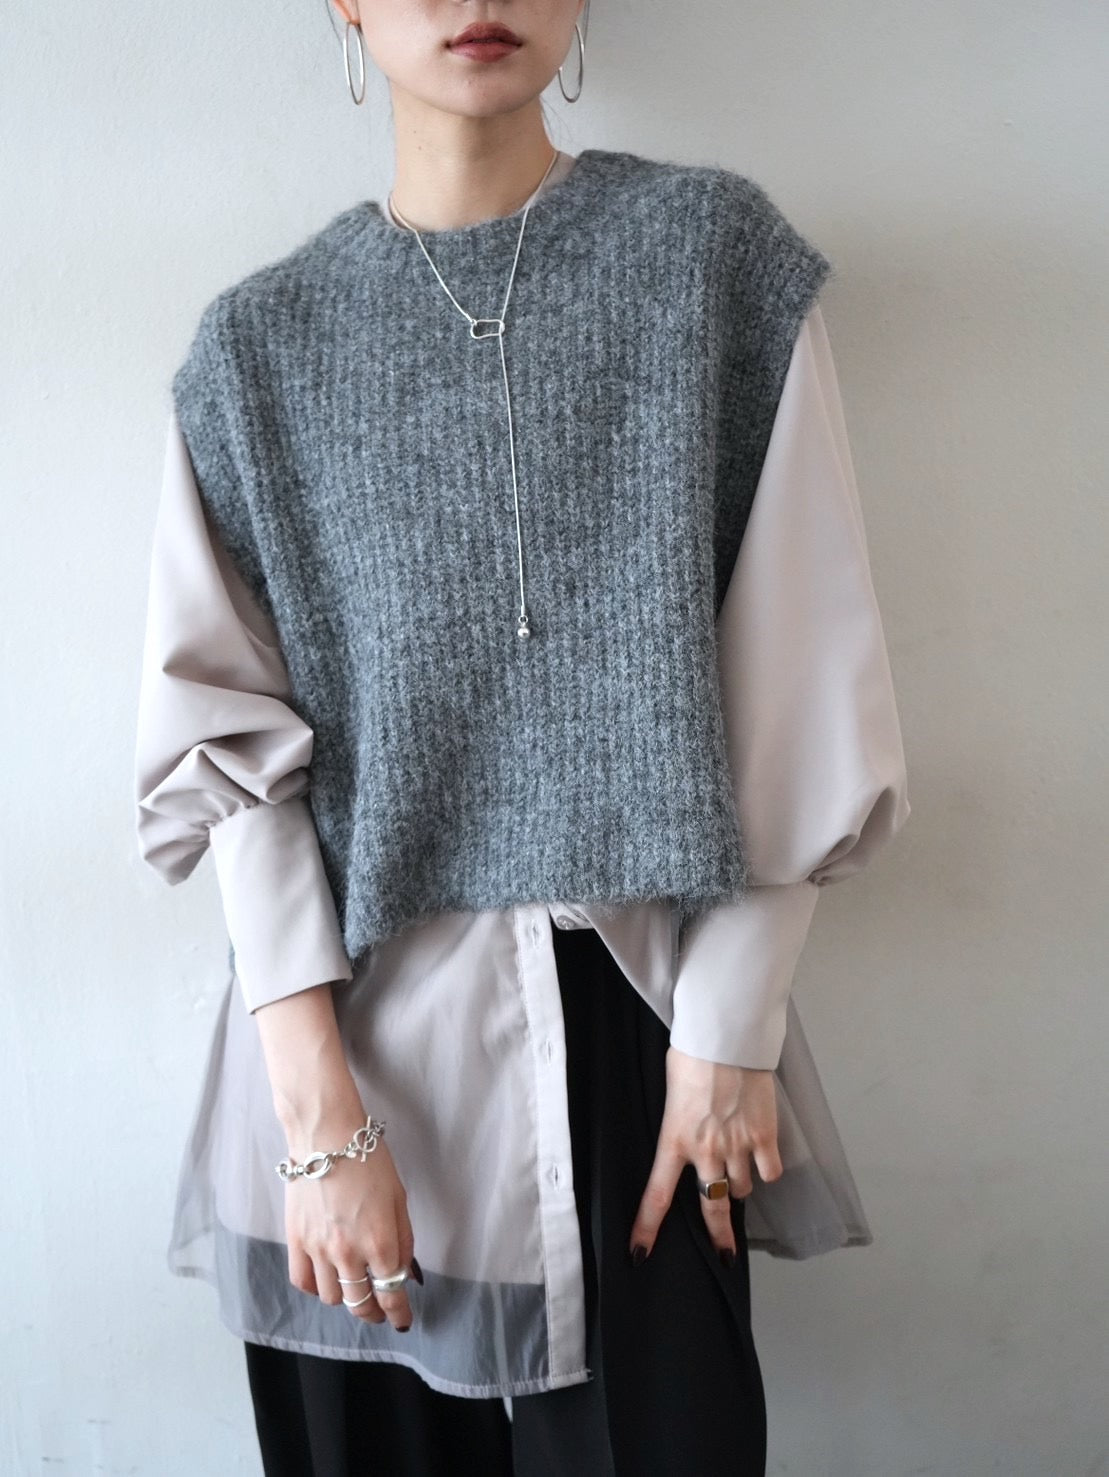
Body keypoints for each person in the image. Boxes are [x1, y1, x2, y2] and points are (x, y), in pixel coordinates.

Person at [133, 2, 910, 1472]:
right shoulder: (256, 347)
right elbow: (222, 744)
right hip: (342, 1038)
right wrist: (320, 1125)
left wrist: (726, 1031)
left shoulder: (710, 265)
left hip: (641, 1020)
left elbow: (803, 673)